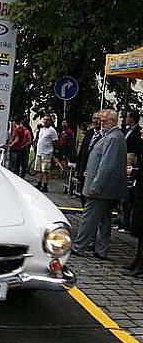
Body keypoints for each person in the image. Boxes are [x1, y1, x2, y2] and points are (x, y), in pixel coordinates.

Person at [71, 109, 127, 260]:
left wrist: (95, 186)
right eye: (101, 121)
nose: (101, 124)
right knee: (104, 220)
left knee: (89, 218)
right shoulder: (113, 136)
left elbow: (106, 166)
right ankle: (101, 250)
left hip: (101, 189)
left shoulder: (113, 137)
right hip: (105, 188)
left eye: (104, 121)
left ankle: (79, 246)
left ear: (113, 121)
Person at [115, 110, 141, 232]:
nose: (125, 119)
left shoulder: (137, 131)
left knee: (127, 194)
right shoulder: (126, 130)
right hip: (123, 160)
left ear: (133, 119)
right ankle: (120, 218)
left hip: (130, 161)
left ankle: (125, 222)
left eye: (127, 117)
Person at [76, 112, 103, 206]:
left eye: (98, 119)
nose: (95, 121)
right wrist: (78, 168)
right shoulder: (89, 133)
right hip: (84, 169)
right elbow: (82, 151)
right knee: (83, 193)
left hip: (94, 170)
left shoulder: (104, 136)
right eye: (94, 118)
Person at [127, 134, 143, 275]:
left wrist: (134, 171)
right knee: (138, 230)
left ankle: (140, 264)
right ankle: (137, 259)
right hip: (139, 193)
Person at [35, 115, 58, 192]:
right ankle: (39, 182)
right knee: (38, 169)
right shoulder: (42, 129)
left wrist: (54, 151)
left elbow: (55, 141)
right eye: (44, 119)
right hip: (39, 152)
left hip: (47, 152)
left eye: (47, 120)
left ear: (50, 121)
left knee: (45, 170)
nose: (45, 121)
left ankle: (45, 185)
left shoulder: (52, 130)